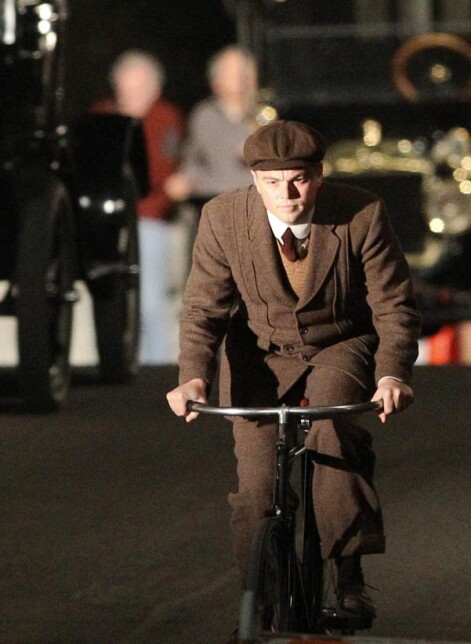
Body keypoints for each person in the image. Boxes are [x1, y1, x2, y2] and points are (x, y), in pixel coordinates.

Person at [166, 120, 421, 620]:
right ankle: (257, 601)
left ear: (319, 175)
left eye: (299, 179)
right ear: (254, 181)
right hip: (258, 353)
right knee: (257, 484)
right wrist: (193, 376)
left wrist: (393, 374)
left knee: (332, 433)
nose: (287, 194)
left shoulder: (361, 214)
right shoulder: (223, 218)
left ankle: (349, 579)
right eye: (272, 181)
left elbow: (394, 305)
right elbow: (203, 309)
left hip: (339, 343)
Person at [93, 50, 185, 364]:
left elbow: (166, 172)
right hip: (108, 220)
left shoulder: (165, 118)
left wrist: (154, 205)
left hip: (147, 219)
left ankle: (155, 368)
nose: (130, 96)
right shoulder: (102, 116)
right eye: (125, 88)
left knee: (150, 303)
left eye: (138, 89)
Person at [163, 45, 258, 211]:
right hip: (216, 206)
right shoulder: (205, 116)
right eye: (232, 71)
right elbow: (193, 161)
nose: (241, 77)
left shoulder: (266, 113)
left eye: (245, 70)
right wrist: (186, 180)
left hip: (258, 207)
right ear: (216, 81)